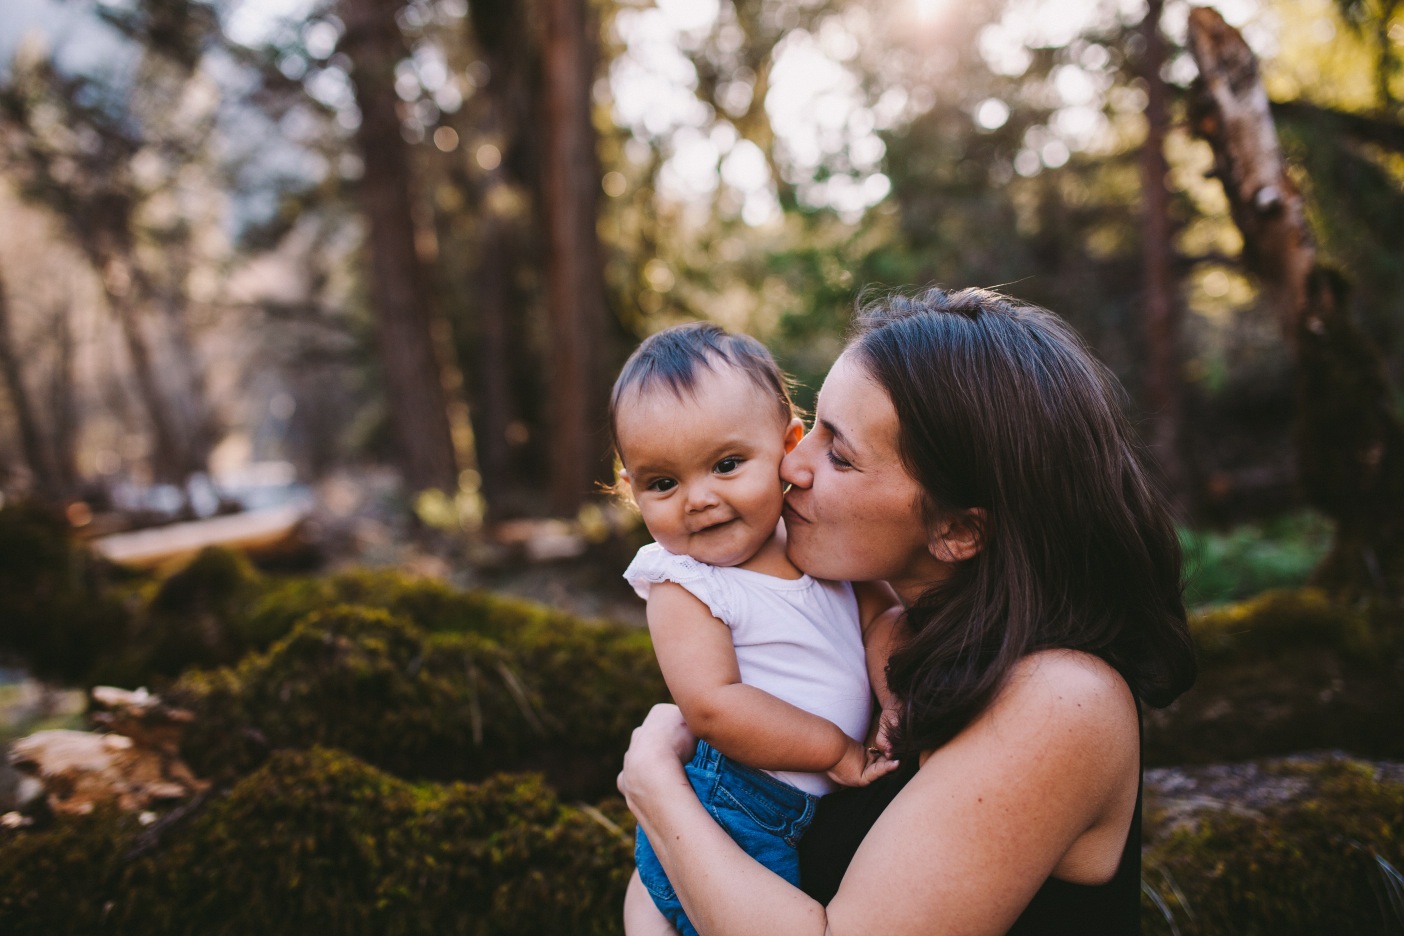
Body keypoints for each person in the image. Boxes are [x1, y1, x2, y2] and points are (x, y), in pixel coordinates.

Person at [617, 287, 1197, 936]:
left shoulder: (1062, 700)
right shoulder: (889, 641)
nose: (793, 465)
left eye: (838, 454)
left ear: (958, 531)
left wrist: (656, 791)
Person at [610, 323, 904, 936]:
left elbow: (880, 616)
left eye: (725, 464)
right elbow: (713, 706)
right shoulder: (683, 583)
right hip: (737, 805)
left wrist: (893, 691)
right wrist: (836, 751)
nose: (697, 499)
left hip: (812, 807)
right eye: (662, 483)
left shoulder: (815, 541)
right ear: (632, 489)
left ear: (788, 447)